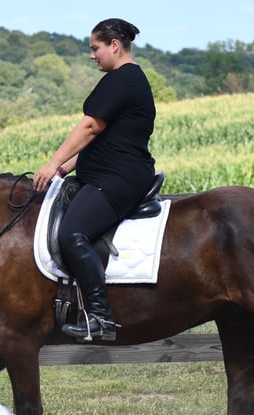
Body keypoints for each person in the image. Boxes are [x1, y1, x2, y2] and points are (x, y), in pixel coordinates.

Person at [33, 18, 157, 341]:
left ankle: (100, 318)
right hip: (109, 171)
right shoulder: (125, 80)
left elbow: (90, 128)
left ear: (114, 46)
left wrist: (52, 163)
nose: (92, 56)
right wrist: (63, 170)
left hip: (118, 177)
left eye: (95, 48)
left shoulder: (123, 79)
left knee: (72, 233)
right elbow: (99, 143)